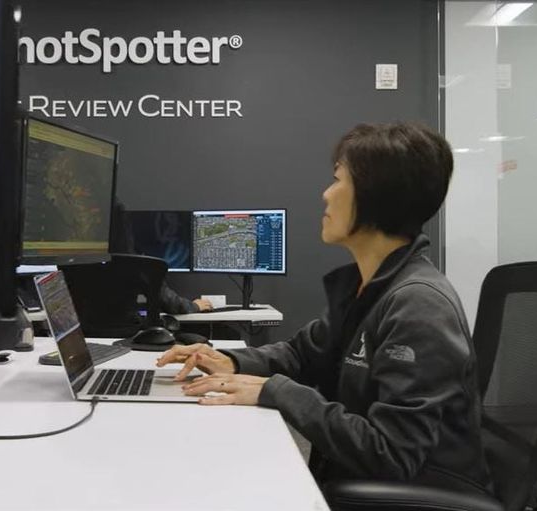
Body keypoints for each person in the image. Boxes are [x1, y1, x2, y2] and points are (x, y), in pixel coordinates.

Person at [156, 122, 492, 495]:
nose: (326, 194)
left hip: (416, 498)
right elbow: (301, 353)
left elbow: (393, 454)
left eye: (337, 180)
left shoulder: (419, 305)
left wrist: (278, 392)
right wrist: (229, 362)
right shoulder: (369, 287)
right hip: (354, 477)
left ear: (374, 195)